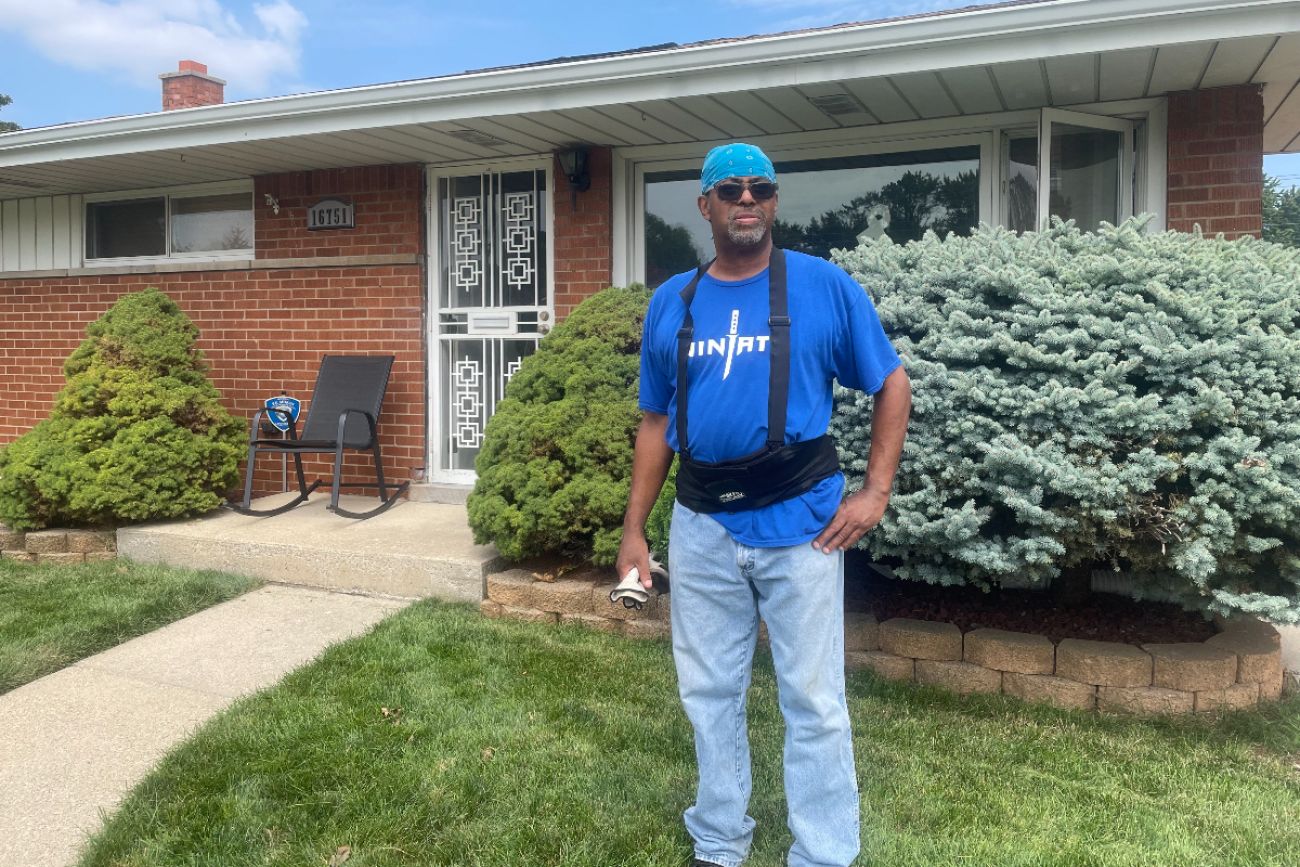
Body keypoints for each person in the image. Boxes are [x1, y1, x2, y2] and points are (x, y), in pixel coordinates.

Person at [616, 142, 911, 867]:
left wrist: (875, 491)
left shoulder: (822, 286)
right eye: (730, 190)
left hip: (802, 526)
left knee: (812, 702)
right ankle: (719, 842)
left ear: (774, 201)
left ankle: (823, 852)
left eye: (760, 188)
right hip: (702, 526)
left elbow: (891, 382)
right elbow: (655, 423)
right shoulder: (673, 302)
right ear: (706, 206)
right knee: (709, 692)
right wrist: (634, 531)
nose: (746, 199)